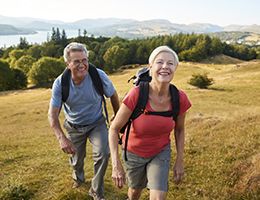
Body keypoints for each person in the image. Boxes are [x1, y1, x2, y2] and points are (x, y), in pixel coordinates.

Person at [109, 46, 191, 200]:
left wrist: (180, 160)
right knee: (134, 193)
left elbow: (179, 130)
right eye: (159, 62)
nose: (165, 66)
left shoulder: (179, 98)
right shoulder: (137, 94)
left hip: (160, 151)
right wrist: (116, 164)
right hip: (133, 152)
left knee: (159, 197)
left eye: (170, 63)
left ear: (175, 68)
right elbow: (114, 129)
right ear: (150, 66)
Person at [48, 42, 119, 200]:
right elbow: (52, 115)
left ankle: (96, 190)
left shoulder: (98, 75)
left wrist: (117, 116)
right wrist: (62, 138)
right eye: (76, 61)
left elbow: (113, 95)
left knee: (103, 153)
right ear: (68, 64)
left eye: (84, 60)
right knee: (76, 159)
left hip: (97, 123)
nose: (82, 65)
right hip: (74, 126)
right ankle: (78, 178)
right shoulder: (60, 83)